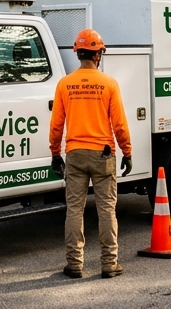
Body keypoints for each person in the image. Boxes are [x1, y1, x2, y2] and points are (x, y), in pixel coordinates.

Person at [50, 28, 133, 279]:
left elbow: (56, 125)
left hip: (74, 154)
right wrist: (127, 151)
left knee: (74, 209)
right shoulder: (109, 84)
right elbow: (119, 123)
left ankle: (74, 264)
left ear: (78, 54)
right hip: (103, 155)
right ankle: (109, 264)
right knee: (107, 209)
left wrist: (55, 154)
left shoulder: (65, 84)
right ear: (98, 55)